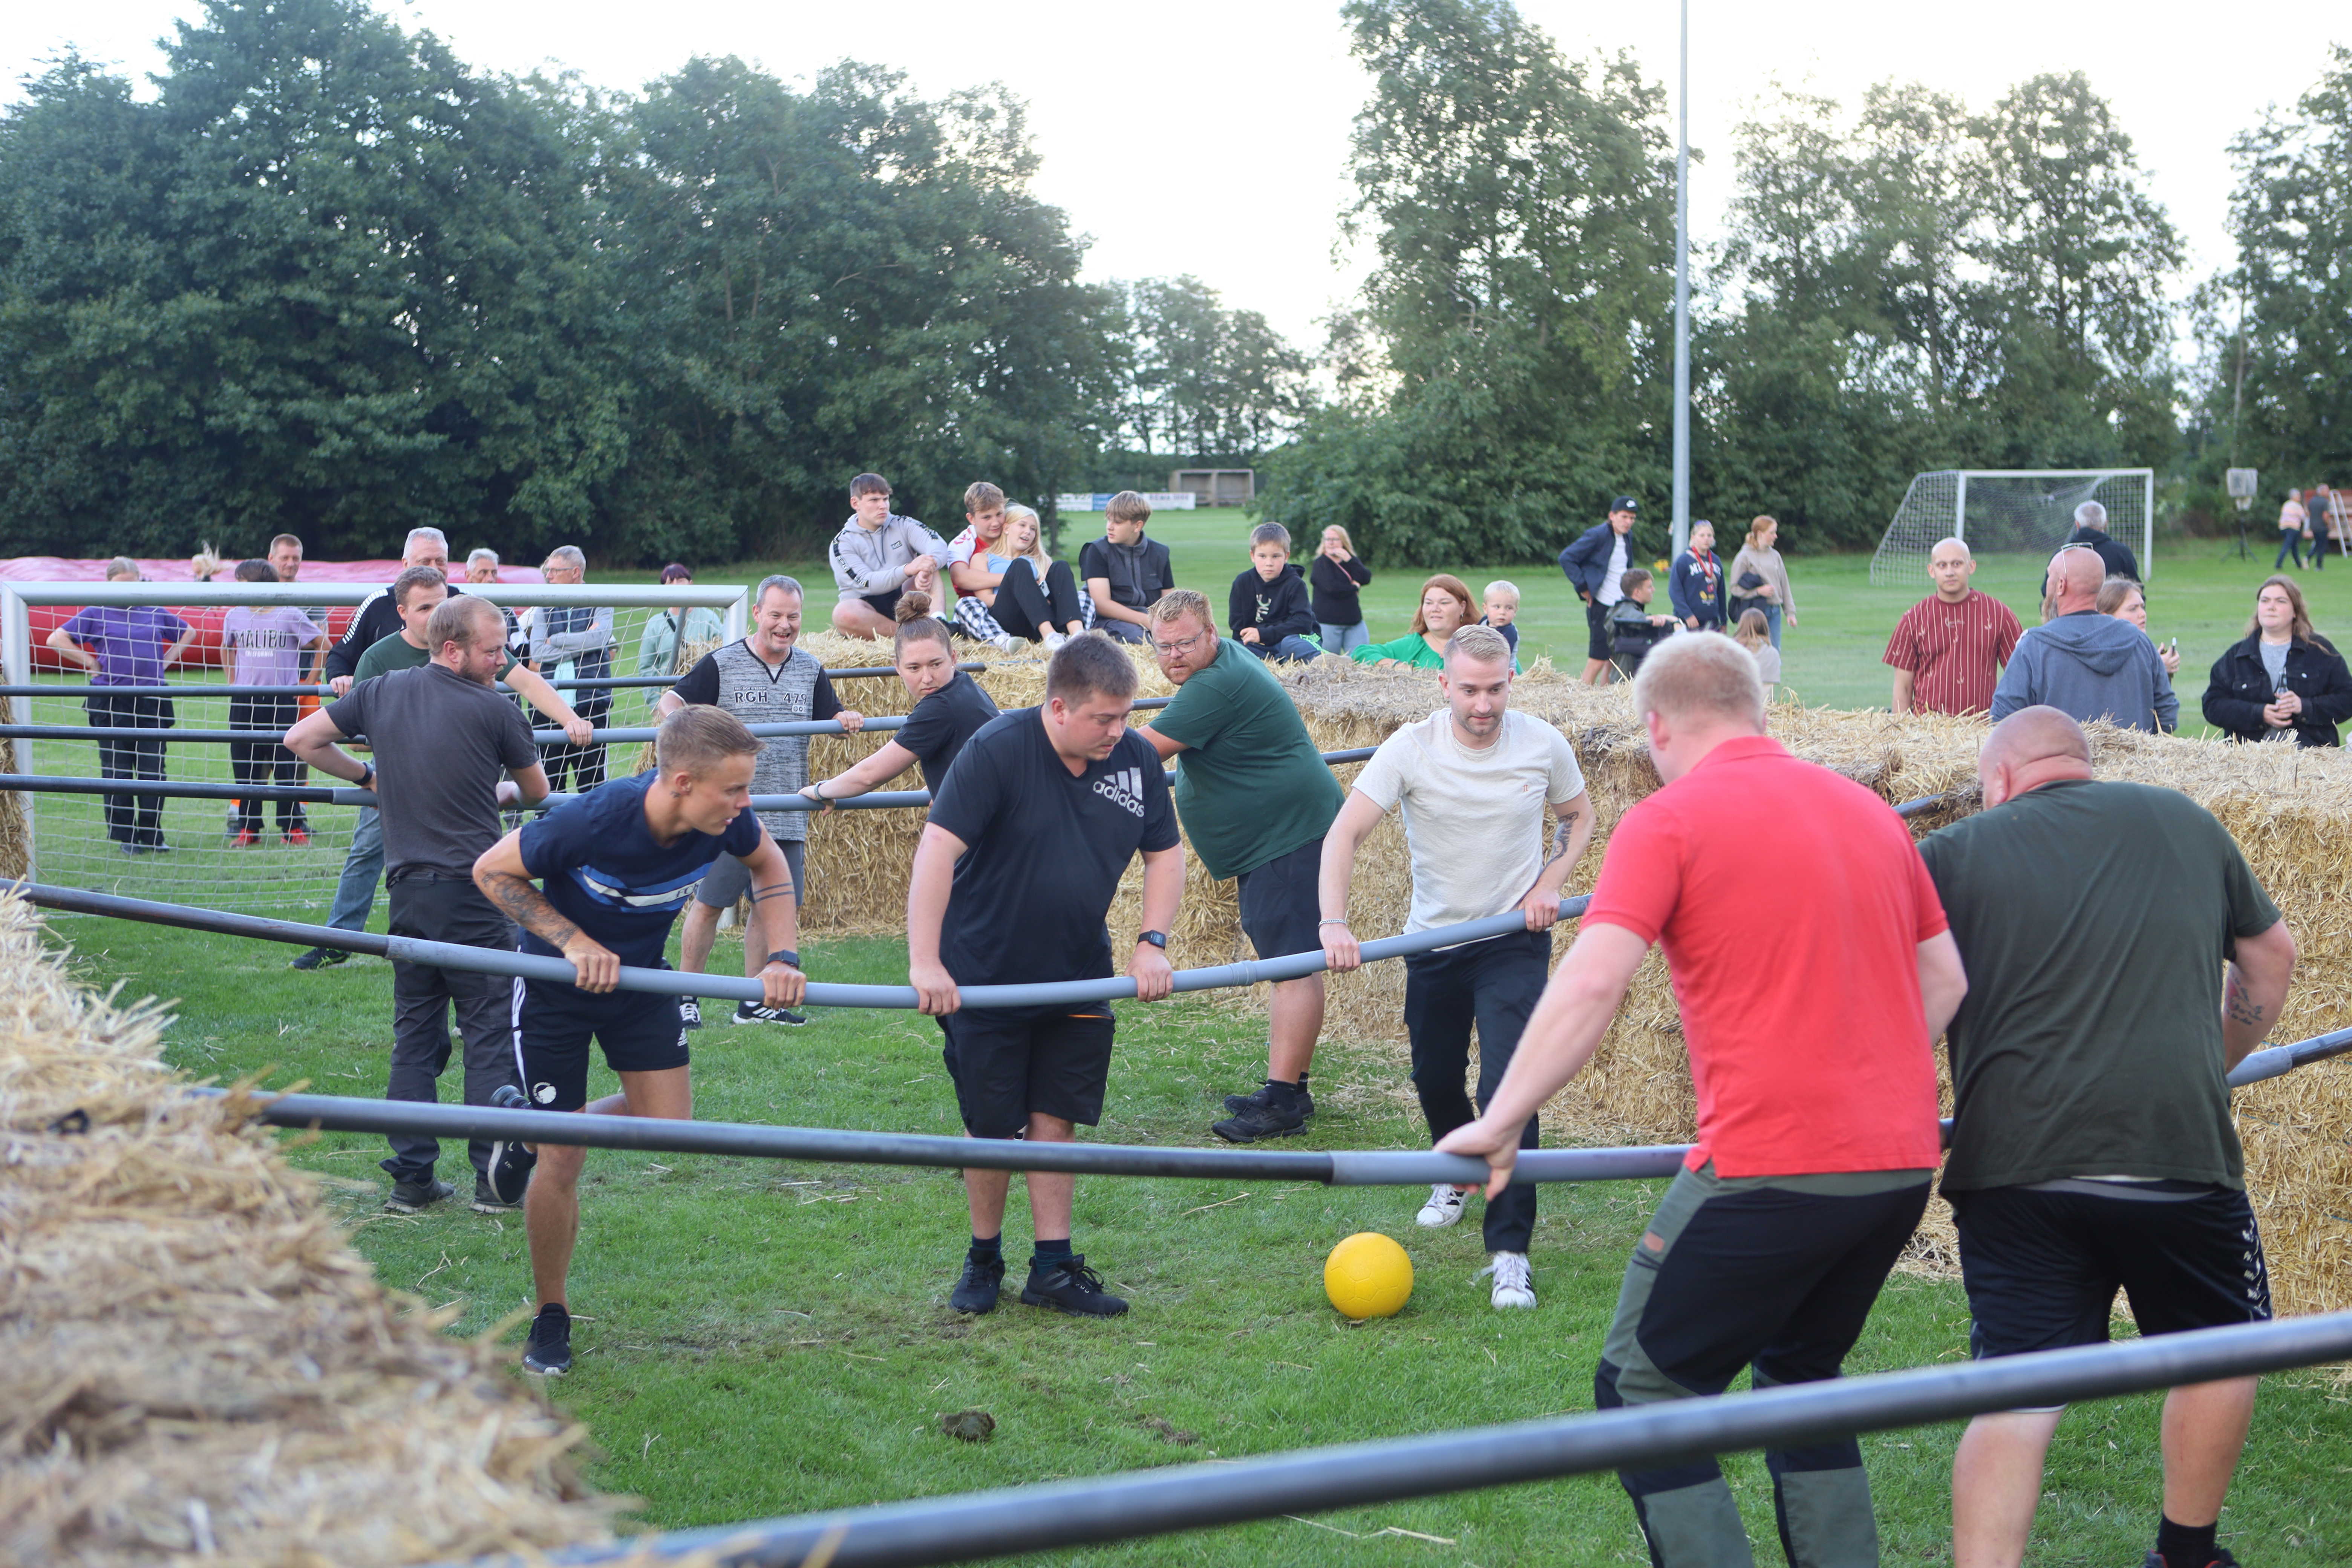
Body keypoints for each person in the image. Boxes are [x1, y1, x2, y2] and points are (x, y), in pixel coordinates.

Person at [1433, 632, 1965, 1566]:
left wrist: (1501, 1113)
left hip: (1769, 1166)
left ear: (1655, 726)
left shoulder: (1667, 820)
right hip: (1896, 1163)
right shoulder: (1870, 811)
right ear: (1758, 710)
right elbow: (1945, 977)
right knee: (1802, 1376)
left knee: (1643, 1395)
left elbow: (1593, 984)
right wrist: (1857, 1069)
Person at [1917, 707, 2296, 1568]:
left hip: (2013, 1163)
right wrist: (2215, 1060)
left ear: (1999, 778)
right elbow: (2270, 958)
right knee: (2215, 1350)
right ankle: (2185, 1552)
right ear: (2079, 762)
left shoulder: (1951, 853)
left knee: (2015, 1390)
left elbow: (1899, 993)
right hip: (2174, 1150)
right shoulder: (2184, 821)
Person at [473, 705, 809, 1375]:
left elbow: (770, 871)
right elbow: (490, 871)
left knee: (669, 1128)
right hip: (553, 995)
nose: (745, 805)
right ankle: (551, 1316)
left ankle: (528, 1134)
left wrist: (783, 956)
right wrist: (572, 941)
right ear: (681, 782)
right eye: (734, 790)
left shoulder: (730, 821)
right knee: (563, 1163)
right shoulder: (595, 818)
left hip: (640, 987)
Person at [1320, 625, 1595, 1309]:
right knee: (1434, 1075)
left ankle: (1509, 1252)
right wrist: (1333, 922)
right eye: (1469, 689)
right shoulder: (1410, 748)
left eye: (1496, 688)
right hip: (1434, 945)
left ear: (1512, 682)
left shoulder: (1542, 743)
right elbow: (1344, 834)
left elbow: (1579, 817)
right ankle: (1455, 1168)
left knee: (1510, 1090)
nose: (1483, 704)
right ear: (1444, 684)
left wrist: (1549, 882)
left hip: (1512, 939)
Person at [908, 635, 1183, 1320]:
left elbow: (1167, 854)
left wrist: (1152, 942)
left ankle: (1054, 1268)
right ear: (1058, 707)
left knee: (1056, 1118)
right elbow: (936, 852)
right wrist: (925, 961)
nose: (1119, 733)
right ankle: (984, 1256)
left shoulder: (1136, 758)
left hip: (1077, 974)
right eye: (1104, 720)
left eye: (1125, 717)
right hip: (984, 976)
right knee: (992, 1129)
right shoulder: (997, 749)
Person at [286, 596, 552, 1215]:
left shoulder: (381, 693)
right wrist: (498, 791)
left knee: (415, 1037)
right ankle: (493, 1180)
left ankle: (411, 1179)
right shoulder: (496, 708)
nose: (500, 662)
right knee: (488, 1035)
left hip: (408, 892)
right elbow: (535, 792)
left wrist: (365, 778)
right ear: (452, 648)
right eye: (492, 651)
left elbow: (302, 738)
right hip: (477, 895)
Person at [289, 571, 590, 972]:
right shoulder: (379, 660)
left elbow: (528, 682)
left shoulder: (480, 650)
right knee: (370, 852)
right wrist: (369, 774)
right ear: (403, 612)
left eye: (441, 602)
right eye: (425, 607)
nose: (435, 613)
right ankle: (341, 936)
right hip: (397, 774)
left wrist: (570, 717)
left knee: (454, 900)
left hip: (460, 797)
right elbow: (356, 736)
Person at [1136, 590, 1346, 1143]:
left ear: (1211, 634)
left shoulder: (1217, 684)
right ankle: (1292, 1089)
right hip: (1282, 833)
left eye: (1185, 643)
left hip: (1289, 834)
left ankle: (1282, 1102)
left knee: (1291, 966)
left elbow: (1136, 755)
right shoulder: (1221, 663)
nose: (1174, 656)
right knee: (1292, 960)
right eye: (1163, 647)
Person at [660, 575, 863, 1029]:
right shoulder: (723, 663)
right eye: (775, 615)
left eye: (793, 616)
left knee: (773, 907)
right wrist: (691, 737)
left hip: (789, 810)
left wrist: (843, 716)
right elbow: (670, 701)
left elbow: (830, 712)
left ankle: (756, 1001)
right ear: (757, 614)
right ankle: (684, 995)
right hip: (730, 811)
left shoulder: (810, 668)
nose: (784, 625)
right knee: (711, 902)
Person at [48, 558, 194, 854]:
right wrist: (89, 662)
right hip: (111, 701)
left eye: (134, 584)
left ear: (141, 582)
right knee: (118, 771)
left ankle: (153, 835)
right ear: (109, 584)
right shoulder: (96, 611)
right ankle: (127, 838)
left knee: (154, 771)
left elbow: (189, 632)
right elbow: (56, 638)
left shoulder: (154, 610)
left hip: (152, 700)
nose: (128, 591)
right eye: (121, 585)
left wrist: (166, 662)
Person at [802, 594, 999, 804]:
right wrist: (943, 784)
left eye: (935, 664)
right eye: (914, 667)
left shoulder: (938, 707)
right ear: (898, 668)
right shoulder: (965, 684)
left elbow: (869, 776)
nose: (927, 678)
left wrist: (821, 791)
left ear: (953, 658)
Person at [1991, 547, 2176, 732]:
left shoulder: (2034, 647)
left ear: (2061, 585)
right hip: (2134, 761)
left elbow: (2003, 722)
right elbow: (2167, 718)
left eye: (2050, 578)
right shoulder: (2140, 643)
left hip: (2061, 761)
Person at [221, 560, 324, 846]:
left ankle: (291, 828)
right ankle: (249, 829)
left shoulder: (289, 614)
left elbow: (323, 645)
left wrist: (308, 681)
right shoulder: (235, 615)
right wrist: (233, 681)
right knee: (245, 766)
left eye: (241, 583)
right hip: (244, 702)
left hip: (281, 700)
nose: (237, 590)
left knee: (285, 765)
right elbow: (225, 647)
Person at [2201, 574, 2352, 748]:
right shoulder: (2237, 656)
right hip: (2246, 760)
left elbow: (2347, 699)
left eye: (2281, 601)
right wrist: (2259, 713)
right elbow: (2213, 705)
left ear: (2295, 611)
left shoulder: (2320, 652)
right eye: (2265, 601)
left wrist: (2304, 706)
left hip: (2309, 755)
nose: (2271, 607)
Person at [1884, 538, 2025, 717]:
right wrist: (1902, 732)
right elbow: (1903, 688)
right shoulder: (1913, 619)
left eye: (1957, 564)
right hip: (1927, 728)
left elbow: (2019, 678)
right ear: (1931, 571)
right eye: (1942, 565)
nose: (1950, 572)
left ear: (1971, 567)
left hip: (1980, 727)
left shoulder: (1998, 615)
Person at [530, 546, 615, 793]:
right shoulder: (543, 606)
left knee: (592, 788)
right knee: (548, 789)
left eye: (555, 571)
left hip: (590, 704)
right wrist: (583, 642)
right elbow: (537, 652)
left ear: (576, 573)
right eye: (548, 571)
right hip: (547, 706)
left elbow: (600, 638)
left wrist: (556, 639)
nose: (549, 577)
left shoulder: (600, 600)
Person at [325, 528, 453, 689]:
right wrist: (339, 675)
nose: (434, 568)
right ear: (406, 564)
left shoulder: (463, 601)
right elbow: (343, 654)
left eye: (441, 561)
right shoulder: (379, 603)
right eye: (425, 561)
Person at [829, 472, 950, 639]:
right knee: (843, 613)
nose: (883, 506)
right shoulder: (842, 543)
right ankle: (909, 636)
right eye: (874, 500)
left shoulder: (903, 524)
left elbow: (938, 545)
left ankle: (939, 627)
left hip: (906, 599)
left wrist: (928, 566)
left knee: (929, 566)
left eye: (886, 499)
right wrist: (908, 569)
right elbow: (867, 582)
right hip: (867, 607)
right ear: (855, 503)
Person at [977, 502, 1090, 648]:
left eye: (1033, 529)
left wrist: (1036, 599)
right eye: (1022, 525)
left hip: (1039, 620)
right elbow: (984, 599)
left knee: (1061, 566)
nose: (1028, 532)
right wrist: (1025, 596)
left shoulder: (1043, 561)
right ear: (1006, 528)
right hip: (1009, 619)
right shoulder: (984, 558)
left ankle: (1078, 635)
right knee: (1019, 566)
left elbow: (1050, 594)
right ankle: (1050, 636)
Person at [1559, 496, 1638, 684]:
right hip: (1601, 604)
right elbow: (1566, 558)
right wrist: (1583, 588)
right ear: (1612, 515)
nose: (1629, 522)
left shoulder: (1628, 536)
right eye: (1625, 517)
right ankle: (1581, 696)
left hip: (1622, 605)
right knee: (1598, 657)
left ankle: (1605, 696)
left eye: (1633, 518)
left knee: (1614, 654)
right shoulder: (1598, 535)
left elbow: (1626, 568)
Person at [1079, 491, 1175, 645]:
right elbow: (1101, 604)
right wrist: (1146, 621)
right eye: (1109, 520)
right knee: (1144, 642)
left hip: (1153, 621)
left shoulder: (1160, 553)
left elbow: (1168, 600)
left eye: (1117, 522)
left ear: (1138, 526)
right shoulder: (1097, 550)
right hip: (1109, 621)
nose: (1110, 527)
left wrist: (1166, 624)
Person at [1227, 522, 1323, 663]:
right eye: (1263, 556)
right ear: (1253, 556)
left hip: (1296, 638)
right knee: (1228, 646)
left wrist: (1263, 634)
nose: (1269, 563)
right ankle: (1279, 660)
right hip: (1262, 646)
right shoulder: (1242, 583)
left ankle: (1319, 659)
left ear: (1286, 556)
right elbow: (1238, 629)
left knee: (1289, 644)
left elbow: (1303, 624)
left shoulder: (1295, 584)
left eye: (1276, 556)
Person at [1349, 574, 1475, 670]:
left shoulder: (1480, 641)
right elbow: (1360, 653)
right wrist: (1396, 666)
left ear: (1462, 607)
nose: (1435, 609)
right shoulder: (1413, 645)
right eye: (1429, 603)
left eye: (1444, 603)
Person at [637, 565, 725, 677]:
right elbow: (647, 667)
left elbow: (724, 653)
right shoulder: (655, 624)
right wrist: (660, 695)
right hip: (668, 693)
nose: (676, 585)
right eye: (670, 582)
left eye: (680, 580)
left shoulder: (709, 618)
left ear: (691, 584)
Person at [1727, 515, 1798, 648]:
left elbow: (1784, 585)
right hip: (1754, 613)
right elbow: (1735, 588)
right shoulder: (1744, 556)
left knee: (1774, 651)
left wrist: (1790, 613)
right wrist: (1758, 591)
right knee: (1753, 652)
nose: (1776, 536)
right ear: (1760, 534)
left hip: (1775, 611)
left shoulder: (1775, 555)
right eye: (1772, 533)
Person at [2097, 576, 2181, 678]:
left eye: (2142, 607)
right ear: (2107, 617)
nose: (2143, 614)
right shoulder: (2098, 653)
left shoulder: (2143, 648)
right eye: (2133, 609)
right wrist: (2157, 668)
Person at [1309, 525, 1373, 653]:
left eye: (1335, 539)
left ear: (1343, 541)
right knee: (1328, 665)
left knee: (1361, 659)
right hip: (1328, 623)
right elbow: (1332, 588)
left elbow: (1366, 578)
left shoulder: (1349, 561)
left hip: (1354, 622)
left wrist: (1350, 560)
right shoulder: (1320, 563)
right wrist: (1354, 587)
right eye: (1328, 539)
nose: (1331, 543)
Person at [1607, 568, 1678, 679]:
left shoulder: (1623, 608)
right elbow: (1631, 618)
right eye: (1650, 587)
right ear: (1637, 592)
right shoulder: (1624, 610)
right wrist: (1651, 619)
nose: (1653, 590)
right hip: (1625, 684)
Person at [463, 548, 526, 662]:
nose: (491, 579)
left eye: (494, 573)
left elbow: (524, 651)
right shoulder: (458, 610)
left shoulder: (506, 612)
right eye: (484, 573)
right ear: (468, 576)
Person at [1668, 519, 1725, 632]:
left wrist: (1724, 620)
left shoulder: (1716, 561)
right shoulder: (1683, 560)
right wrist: (1687, 614)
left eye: (1710, 536)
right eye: (1702, 535)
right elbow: (1675, 591)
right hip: (1690, 620)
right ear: (1693, 537)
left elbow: (1721, 593)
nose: (1706, 539)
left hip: (1712, 621)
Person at [2064, 499, 2139, 582]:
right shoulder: (2122, 552)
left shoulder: (2062, 555)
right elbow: (2135, 587)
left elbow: (2048, 591)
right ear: (2105, 524)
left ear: (2077, 524)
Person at [1733, 607, 1779, 694]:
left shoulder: (1732, 651)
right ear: (1765, 626)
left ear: (1741, 625)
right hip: (1763, 704)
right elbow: (1769, 689)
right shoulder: (1773, 653)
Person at [1480, 580, 1521, 664]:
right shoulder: (1483, 622)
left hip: (1504, 672)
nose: (1502, 612)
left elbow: (1502, 658)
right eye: (1497, 607)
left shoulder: (1510, 632)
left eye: (1509, 608)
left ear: (1515, 611)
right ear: (1485, 608)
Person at [2275, 490, 2308, 571]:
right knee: (2287, 545)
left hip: (2283, 527)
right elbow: (2303, 517)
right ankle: (2278, 564)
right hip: (2293, 527)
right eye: (2298, 496)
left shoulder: (2286, 504)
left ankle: (2299, 565)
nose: (2300, 498)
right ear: (2294, 497)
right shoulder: (2297, 506)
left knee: (2294, 547)